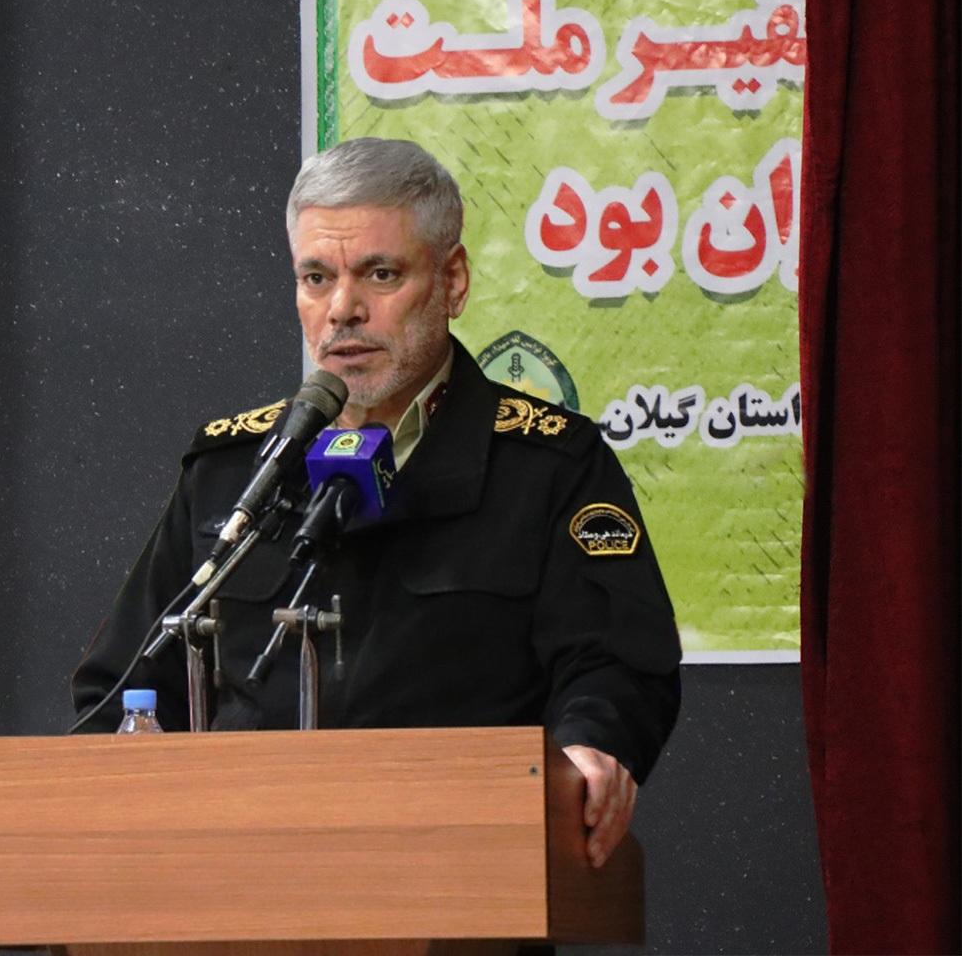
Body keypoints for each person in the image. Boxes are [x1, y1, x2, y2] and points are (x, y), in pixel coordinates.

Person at [70, 137, 681, 869]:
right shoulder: (234, 468)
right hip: (243, 871)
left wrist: (591, 748)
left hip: (464, 864)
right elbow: (124, 684)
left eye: (380, 274)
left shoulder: (548, 463)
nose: (342, 311)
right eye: (316, 278)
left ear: (453, 281)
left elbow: (615, 663)